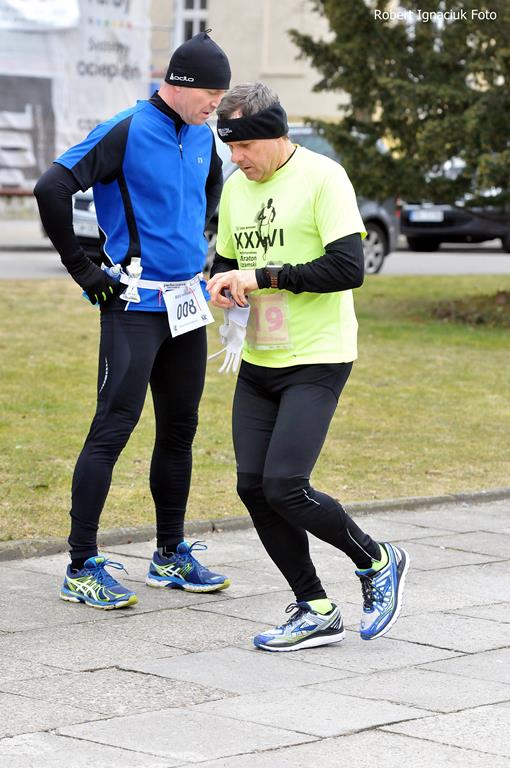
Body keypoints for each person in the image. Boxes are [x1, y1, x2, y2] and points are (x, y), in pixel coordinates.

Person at [207, 82, 410, 651]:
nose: (236, 158)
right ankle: (315, 607)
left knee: (285, 485)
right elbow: (227, 259)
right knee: (253, 487)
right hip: (259, 358)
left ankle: (377, 559)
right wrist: (222, 283)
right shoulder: (235, 189)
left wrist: (262, 277)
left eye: (244, 146)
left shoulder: (324, 178)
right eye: (229, 147)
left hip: (318, 357)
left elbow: (348, 268)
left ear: (274, 134)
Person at [33, 32, 232, 609]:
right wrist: (84, 269)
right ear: (181, 84)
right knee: (113, 428)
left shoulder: (203, 136)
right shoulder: (125, 129)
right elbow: (51, 187)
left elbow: (211, 195)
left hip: (186, 305)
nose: (216, 105)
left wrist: (202, 250)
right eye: (212, 94)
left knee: (180, 429)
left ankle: (169, 554)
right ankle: (80, 565)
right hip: (133, 306)